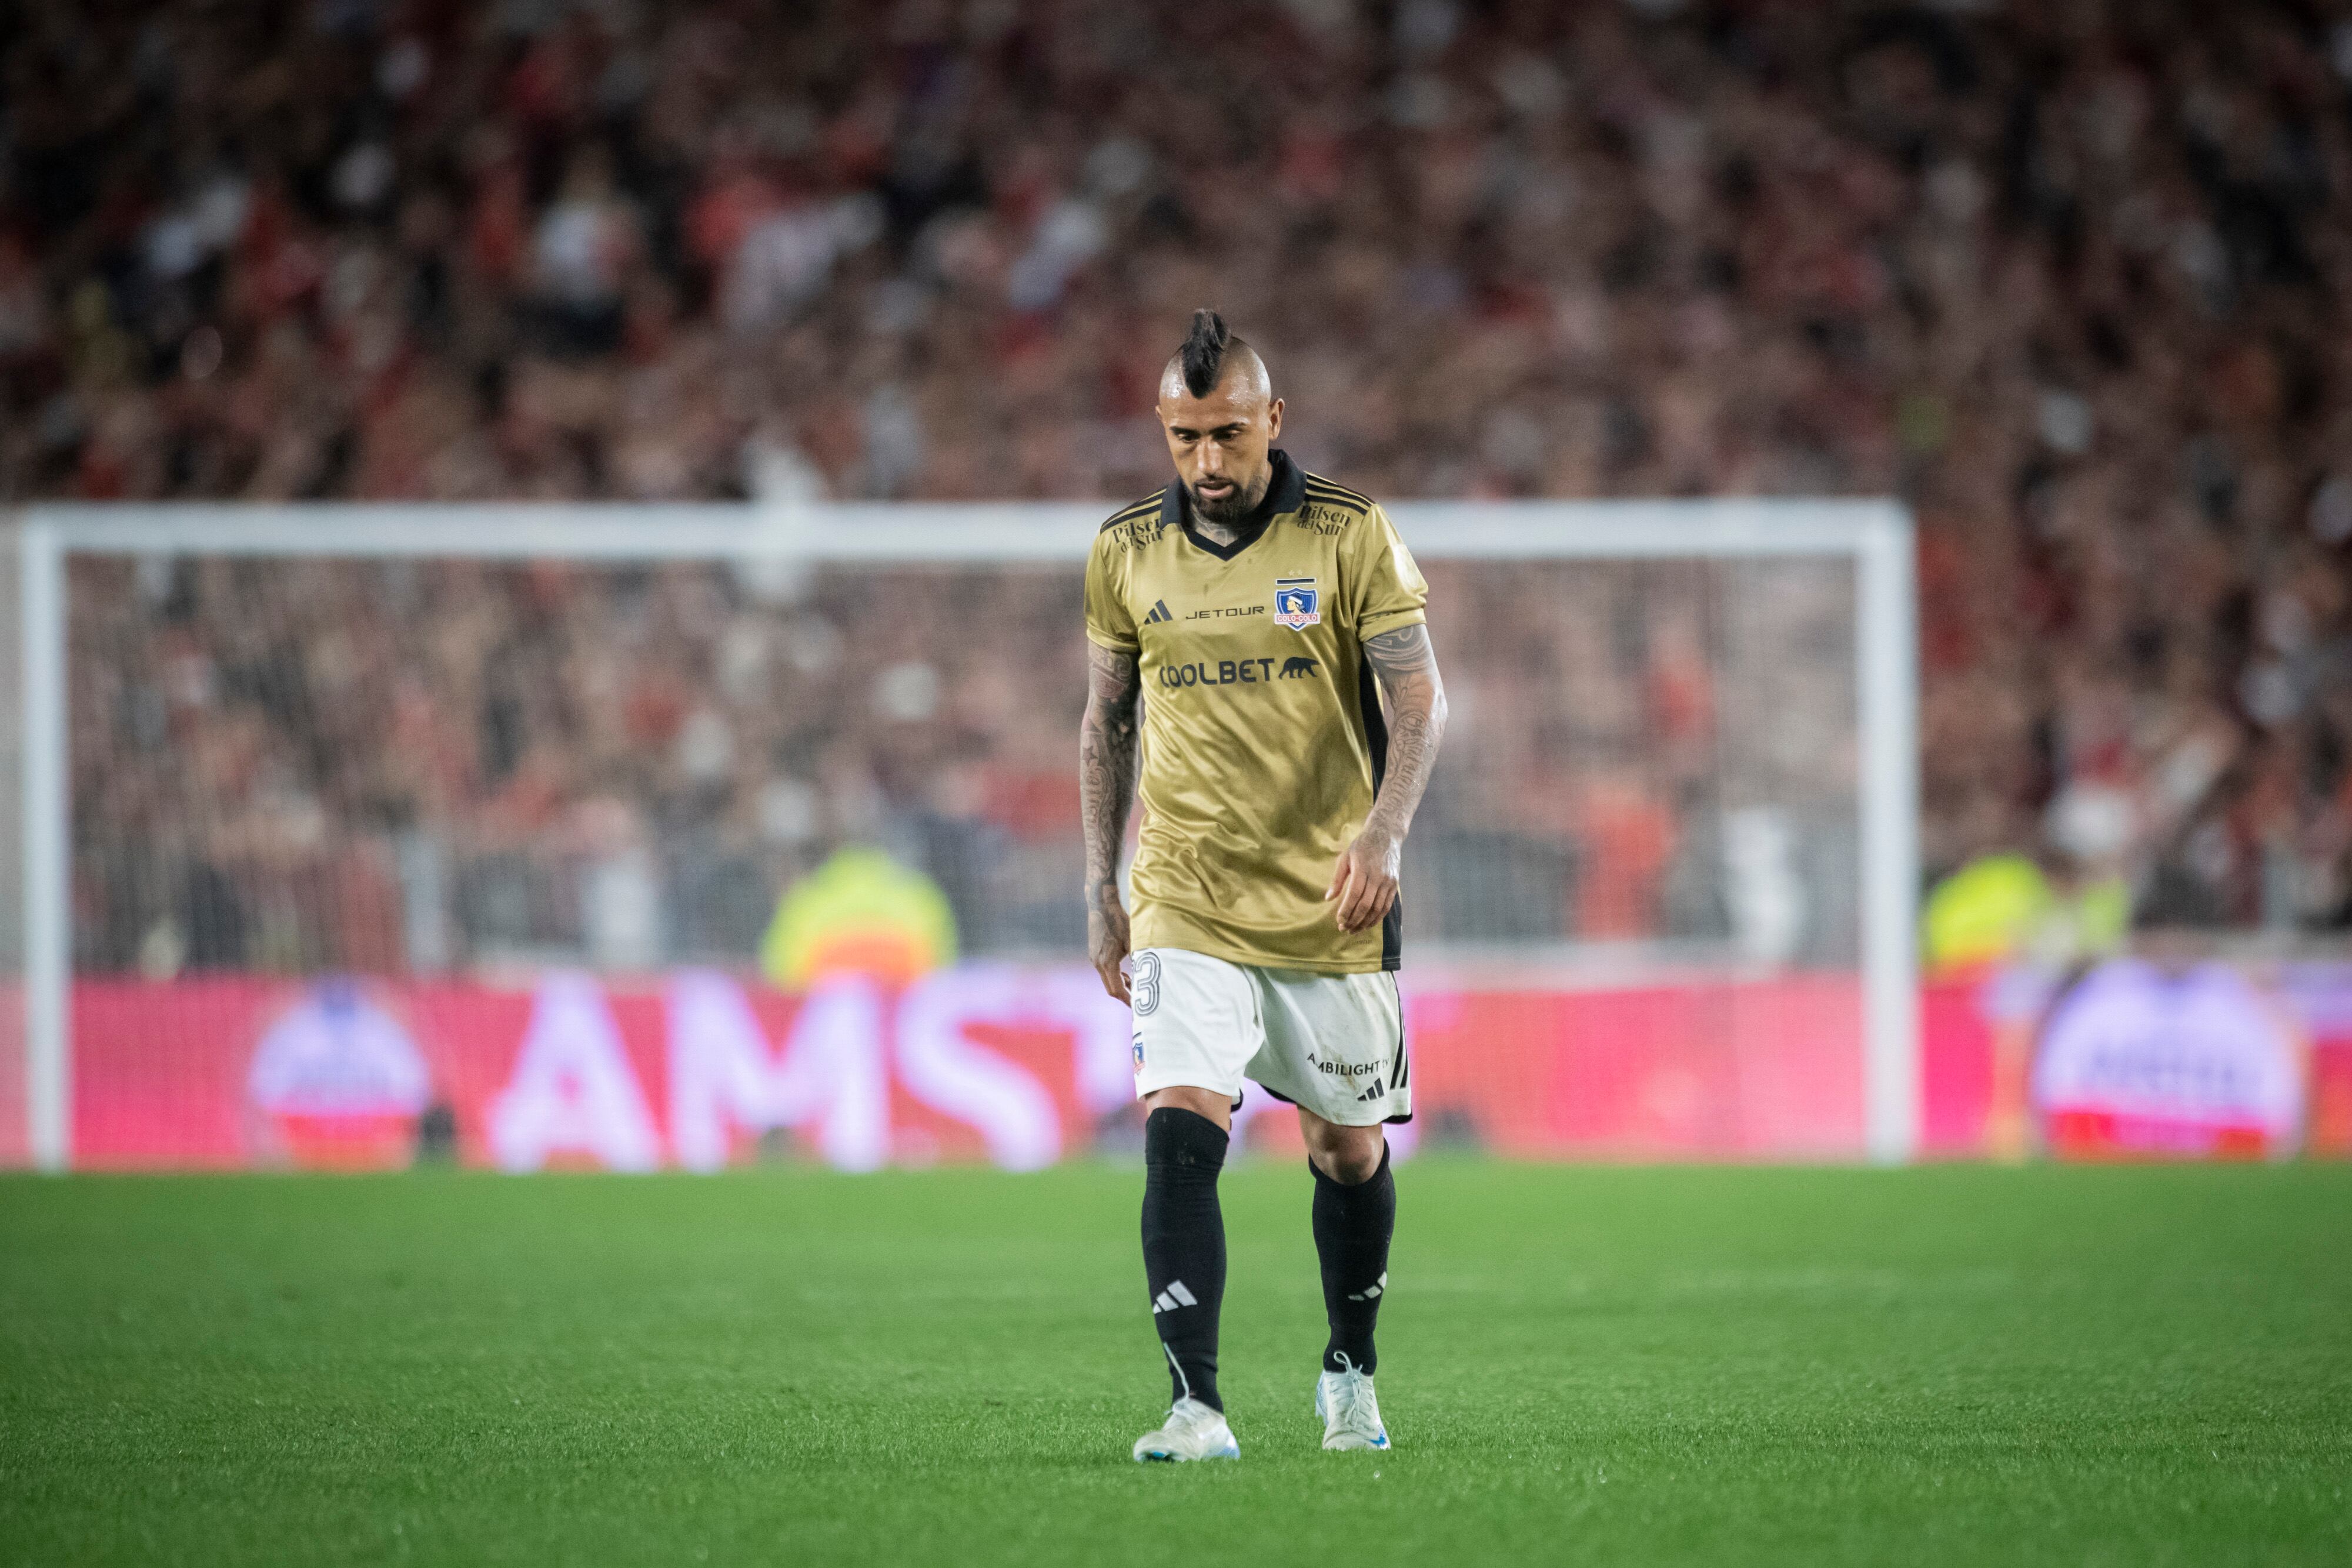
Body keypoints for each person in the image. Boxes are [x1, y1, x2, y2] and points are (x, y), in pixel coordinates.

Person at [1078, 310, 1448, 1462]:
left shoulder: (1351, 535)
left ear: (1271, 419)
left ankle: (1350, 1370)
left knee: (1344, 1147)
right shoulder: (1124, 549)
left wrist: (1382, 837)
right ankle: (1196, 1405)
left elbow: (1418, 702)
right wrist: (1101, 884)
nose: (1206, 462)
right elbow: (1105, 722)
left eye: (1227, 434)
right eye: (1185, 437)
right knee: (1179, 1115)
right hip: (1184, 884)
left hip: (1327, 894)